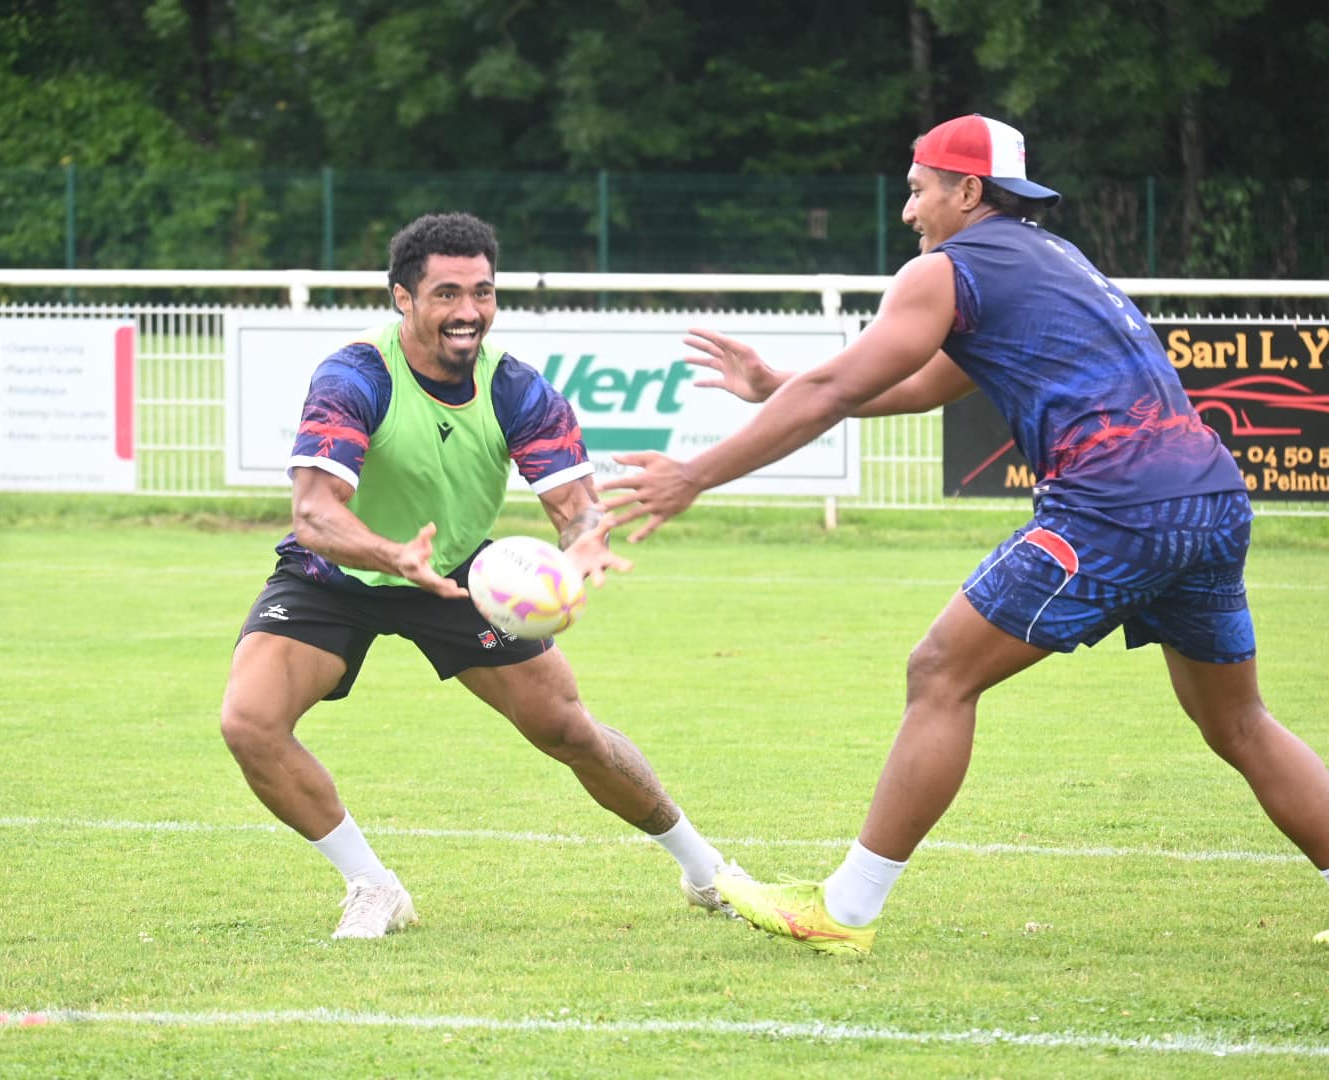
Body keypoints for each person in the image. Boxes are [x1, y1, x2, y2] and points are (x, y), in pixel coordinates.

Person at [601, 114, 1329, 956]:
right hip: (1209, 498)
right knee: (1239, 724)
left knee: (940, 671)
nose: (908, 211)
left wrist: (697, 473)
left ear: (967, 190)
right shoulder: (1053, 257)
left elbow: (840, 388)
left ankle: (845, 910)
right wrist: (778, 384)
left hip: (1114, 506)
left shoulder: (946, 269)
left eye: (917, 189)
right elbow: (927, 381)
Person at [220, 211, 751, 939]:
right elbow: (315, 514)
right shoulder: (355, 376)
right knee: (250, 723)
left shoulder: (518, 390)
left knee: (569, 731)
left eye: (482, 292)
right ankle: (373, 886)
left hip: (463, 572)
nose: (468, 312)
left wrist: (586, 541)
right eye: (446, 294)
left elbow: (574, 506)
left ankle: (706, 870)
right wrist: (388, 555)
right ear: (403, 299)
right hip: (336, 572)